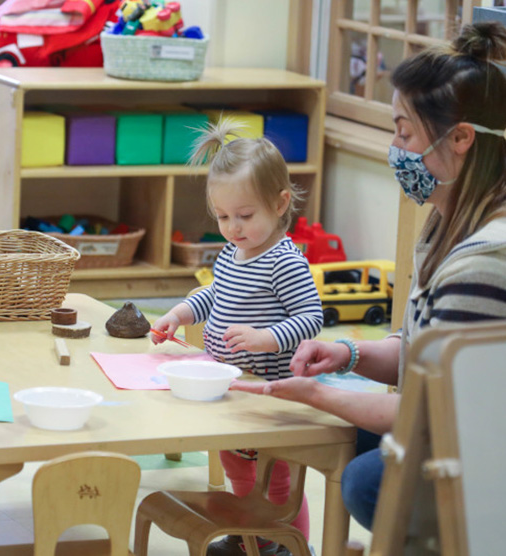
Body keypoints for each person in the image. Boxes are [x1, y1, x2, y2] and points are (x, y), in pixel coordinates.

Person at [232, 21, 506, 532]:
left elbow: (432, 412)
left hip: (483, 454)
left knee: (367, 478)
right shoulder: (444, 226)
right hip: (451, 424)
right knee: (316, 428)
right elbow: (421, 356)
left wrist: (320, 393)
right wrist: (349, 355)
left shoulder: (486, 261)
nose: (396, 148)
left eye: (404, 133)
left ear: (462, 138)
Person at [151, 121, 324, 556]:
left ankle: (285, 543)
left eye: (245, 216)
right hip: (233, 387)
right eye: (223, 216)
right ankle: (250, 534)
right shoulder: (234, 251)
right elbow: (215, 294)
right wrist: (178, 313)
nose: (232, 228)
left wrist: (268, 337)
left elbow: (311, 317)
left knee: (278, 479)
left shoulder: (283, 261)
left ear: (281, 203)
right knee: (238, 466)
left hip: (272, 396)